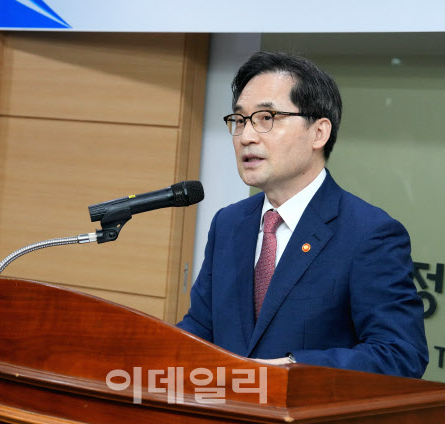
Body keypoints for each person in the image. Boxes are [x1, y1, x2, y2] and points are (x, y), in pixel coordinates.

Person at [177, 51, 428, 378]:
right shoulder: (229, 223)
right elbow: (200, 328)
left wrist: (291, 369)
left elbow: (400, 354)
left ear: (319, 133)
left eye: (266, 117)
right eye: (239, 120)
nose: (246, 136)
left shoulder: (369, 234)